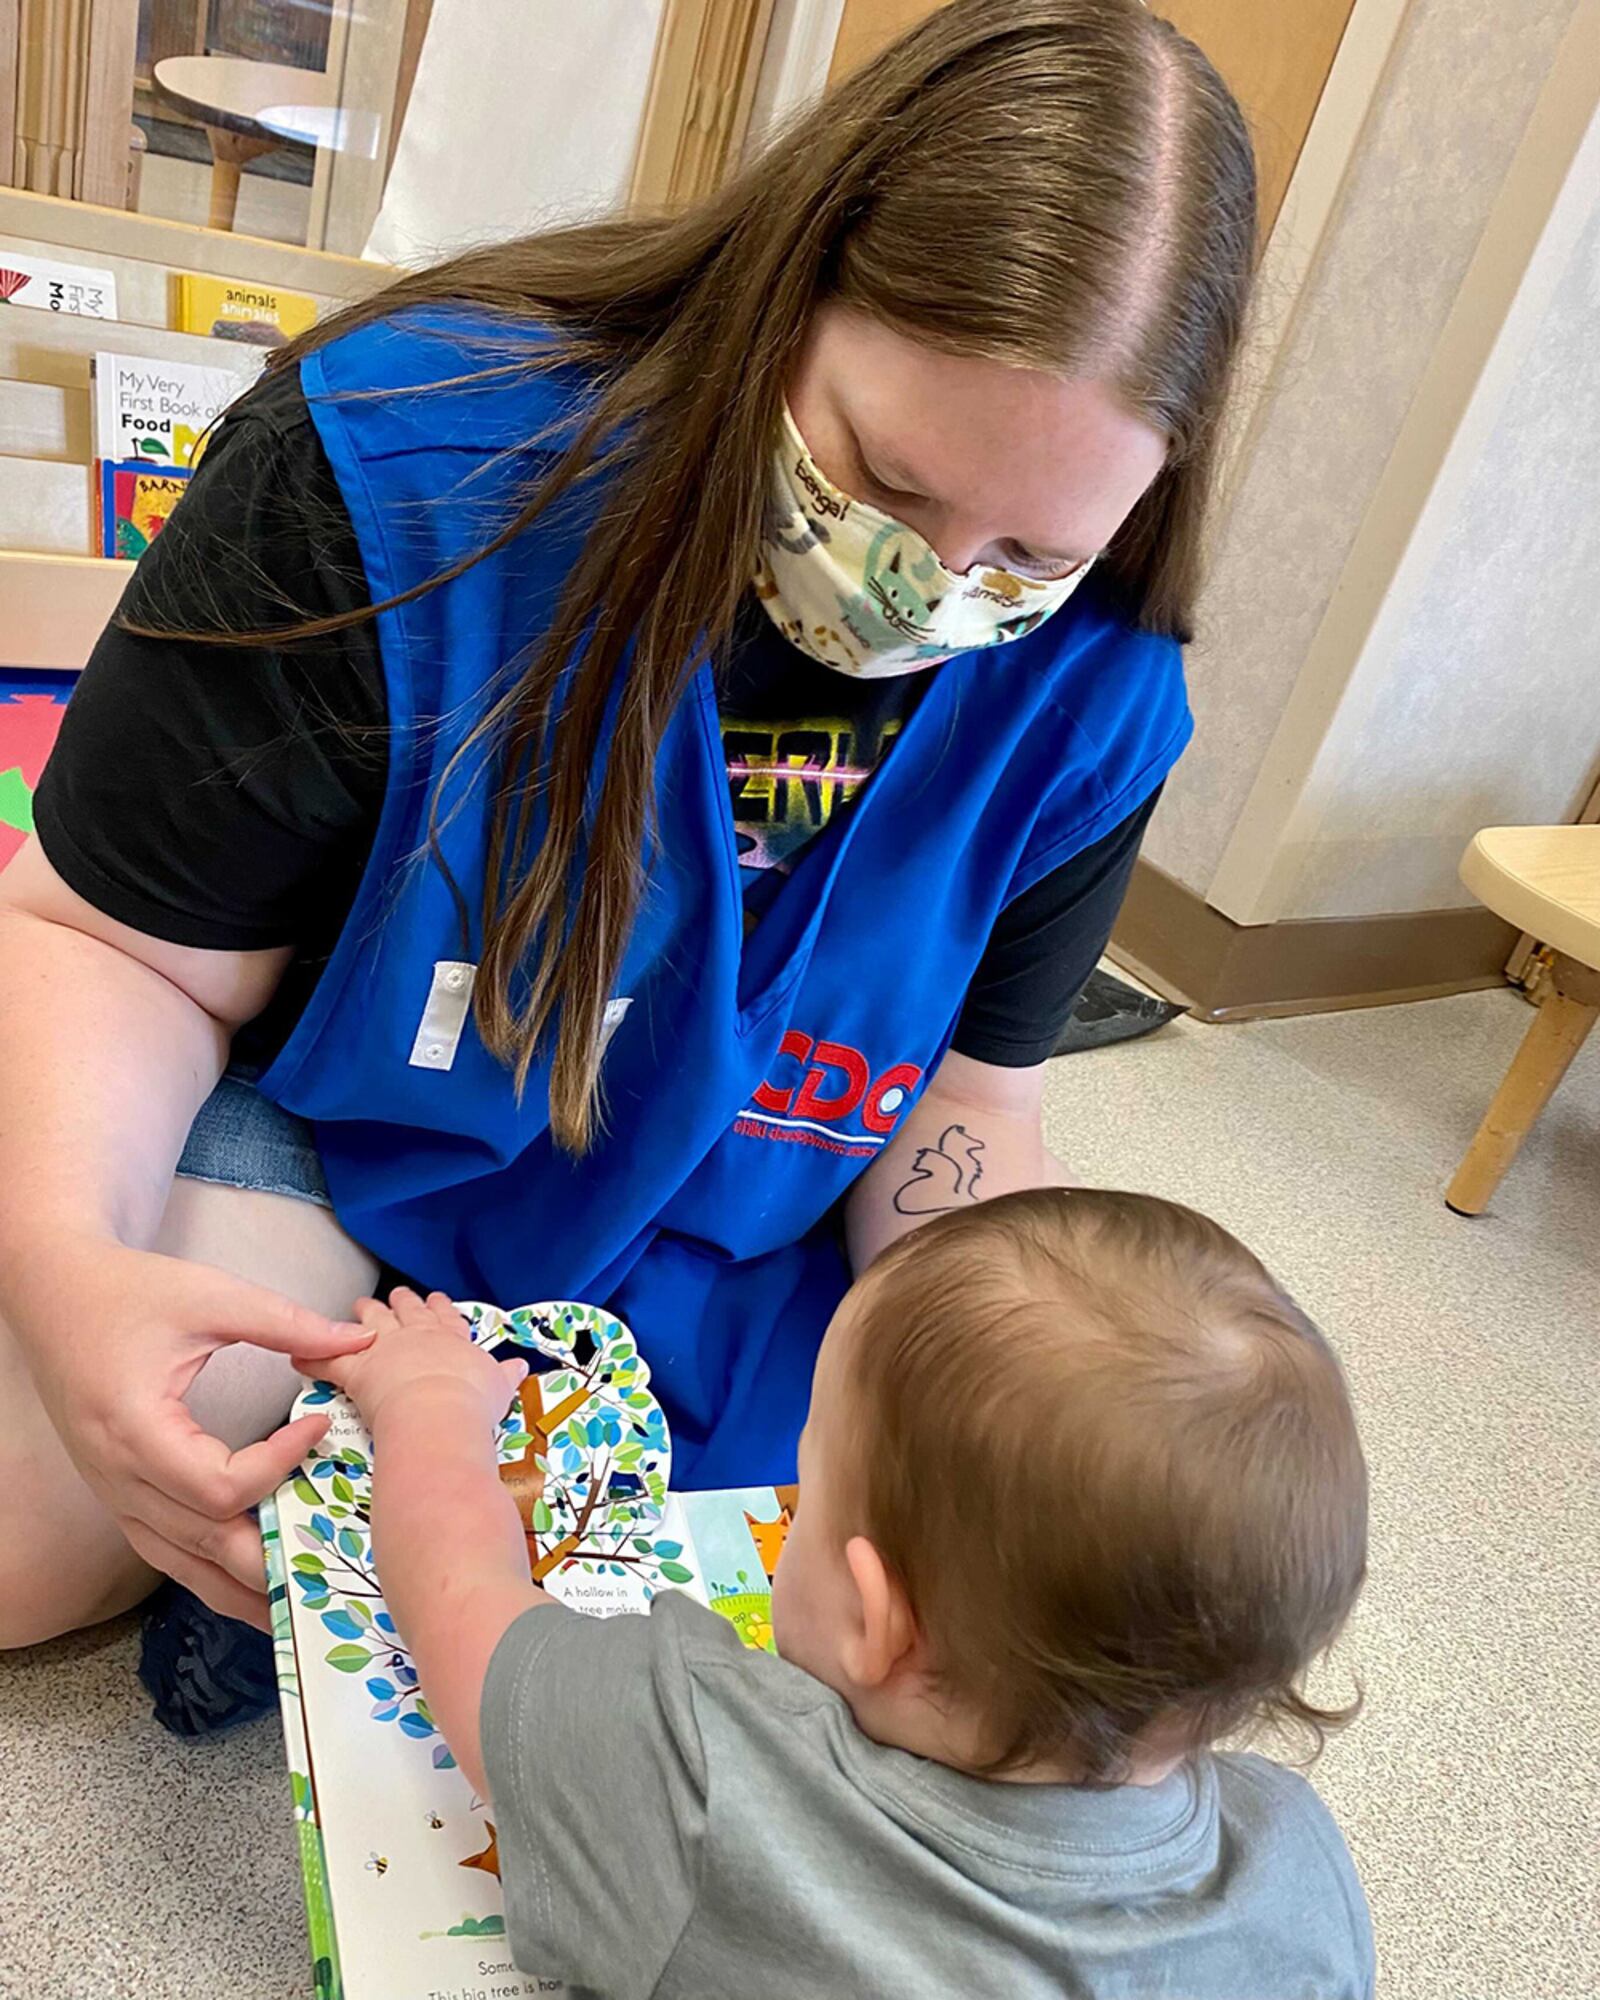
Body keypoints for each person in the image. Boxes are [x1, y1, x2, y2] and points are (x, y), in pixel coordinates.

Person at [0, 0, 1258, 1656]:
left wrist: (1004, 1400)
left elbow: (966, 1110)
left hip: (731, 1215)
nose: (929, 589)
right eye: (882, 478)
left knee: (984, 1575)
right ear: (784, 294)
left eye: (1032, 556)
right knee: (33, 1542)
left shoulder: (1095, 691)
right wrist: (68, 1264)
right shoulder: (400, 467)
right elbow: (112, 949)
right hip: (358, 1133)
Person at [311, 1188, 1374, 2000]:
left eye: (808, 1488)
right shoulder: (1297, 1876)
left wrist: (432, 1405)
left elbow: (456, 1590)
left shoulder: (701, 1768)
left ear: (877, 1621)